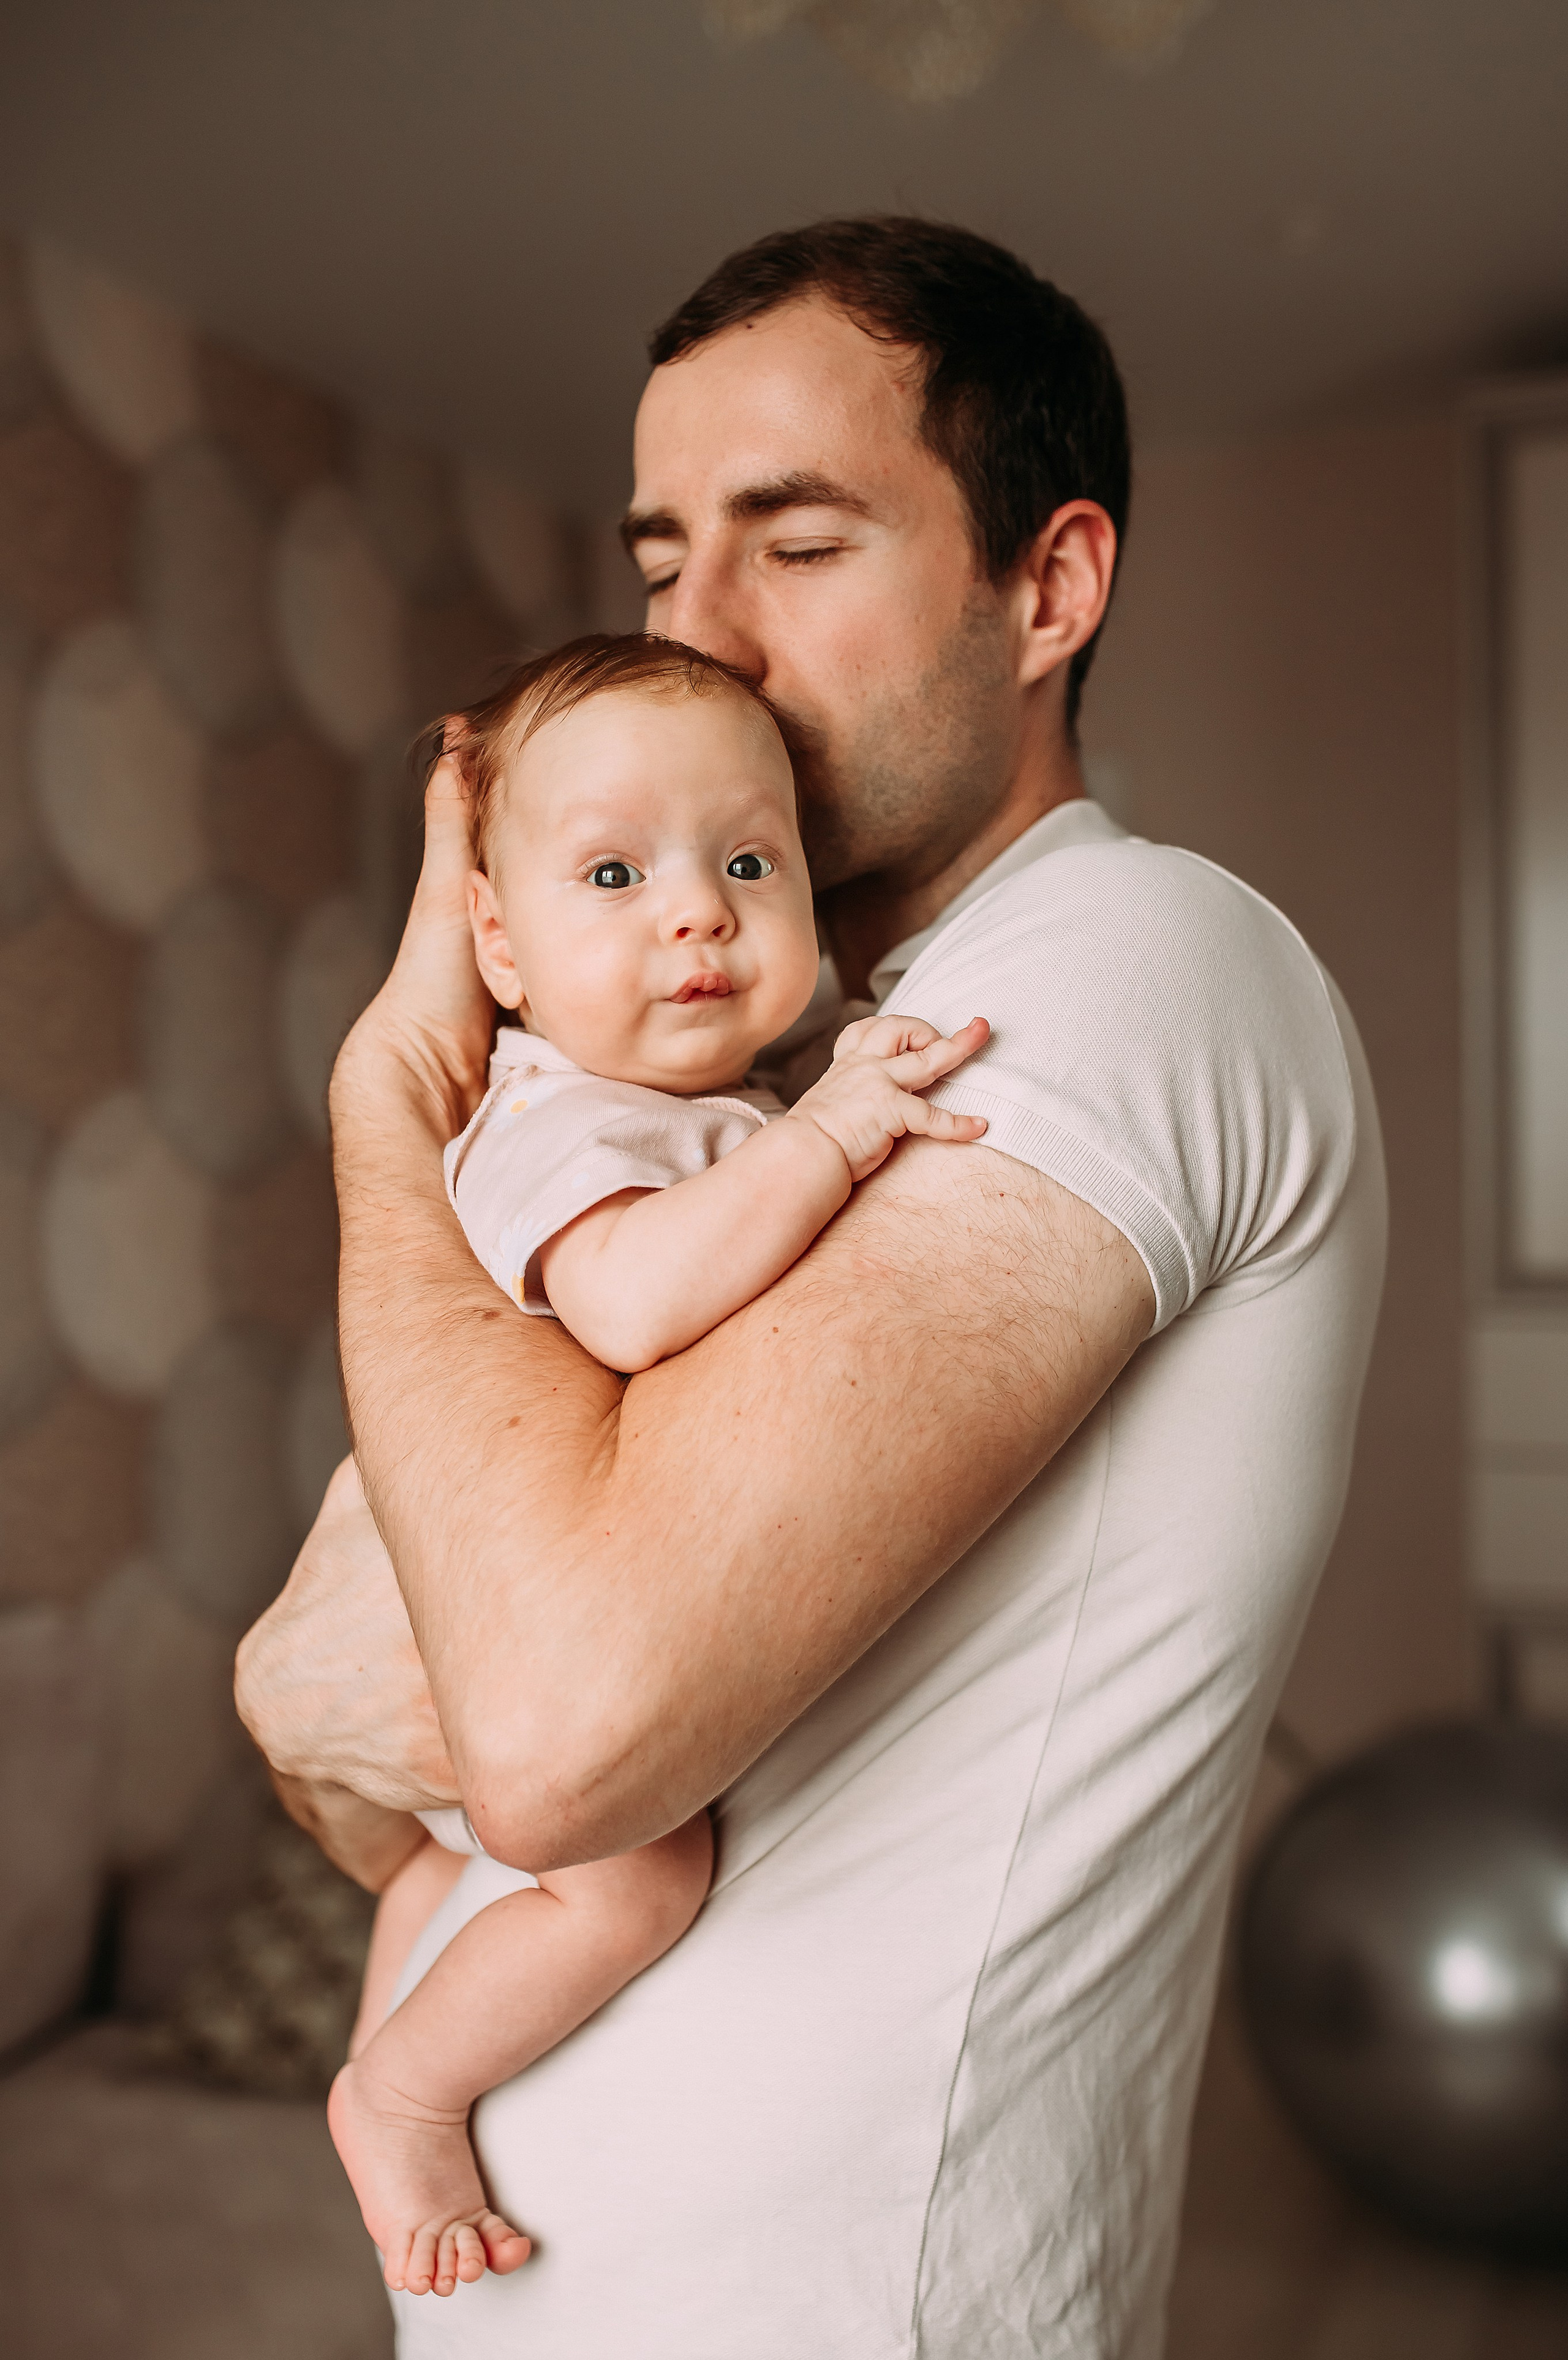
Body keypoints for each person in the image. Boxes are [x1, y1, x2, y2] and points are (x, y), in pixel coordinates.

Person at [237, 217, 1386, 2358]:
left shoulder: (1128, 961)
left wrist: (389, 1107)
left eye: (799, 541)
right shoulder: (767, 1075)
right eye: (665, 557)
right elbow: (364, 1706)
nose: (707, 639)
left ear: (1047, 588)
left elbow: (555, 1739)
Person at [330, 630, 989, 2300]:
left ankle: (378, 2054)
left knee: (442, 1869)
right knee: (642, 1869)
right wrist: (837, 1135)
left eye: (749, 861)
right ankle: (404, 2089)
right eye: (613, 871)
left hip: (509, 1644)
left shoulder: (692, 1103)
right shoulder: (566, 1119)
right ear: (497, 940)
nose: (695, 910)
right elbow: (626, 1300)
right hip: (510, 1644)